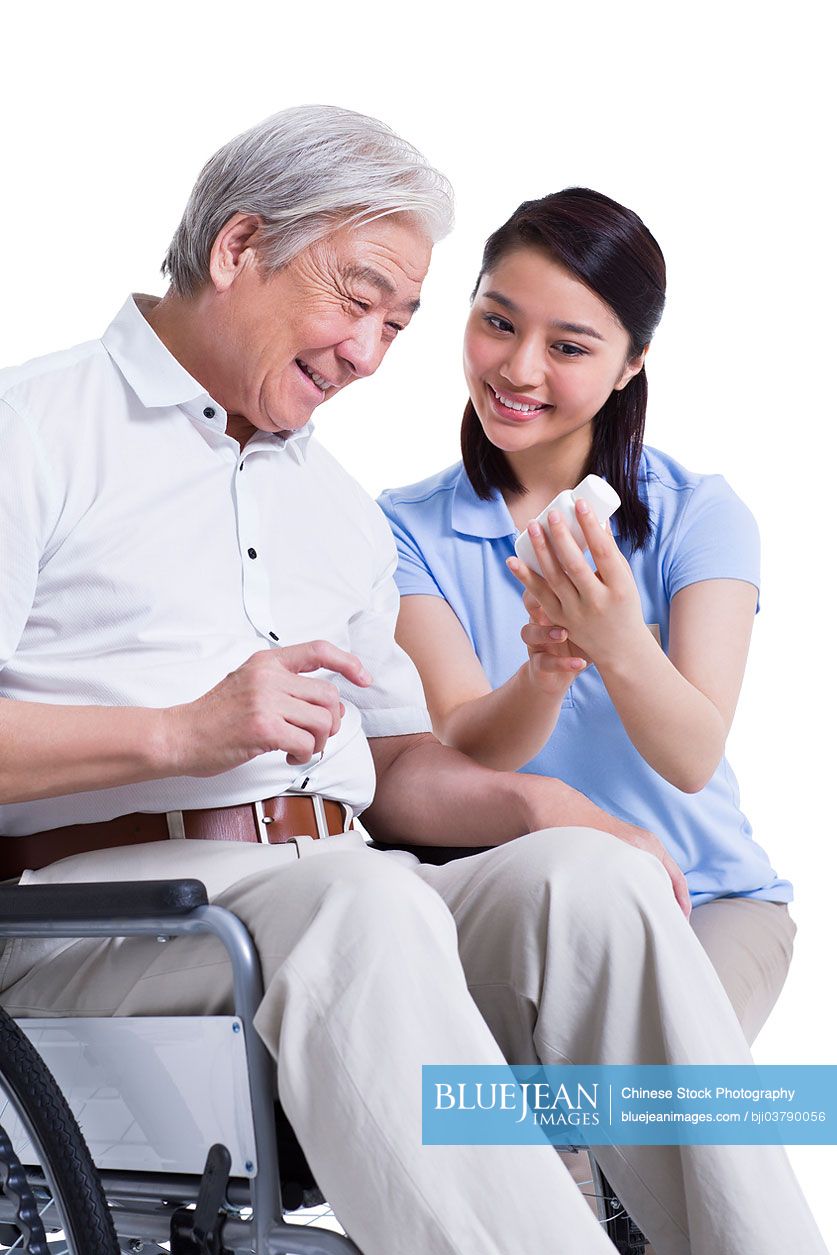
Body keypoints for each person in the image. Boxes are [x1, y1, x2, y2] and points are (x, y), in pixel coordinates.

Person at [0, 111, 824, 1255]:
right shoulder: (33, 431)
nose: (369, 353)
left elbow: (390, 768)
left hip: (335, 894)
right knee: (367, 902)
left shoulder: (336, 505)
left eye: (399, 323)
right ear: (239, 248)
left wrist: (544, 803)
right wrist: (179, 734)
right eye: (355, 299)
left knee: (588, 881)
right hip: (106, 925)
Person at [377, 188, 795, 1052]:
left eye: (567, 346)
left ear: (630, 363)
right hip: (519, 894)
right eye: (497, 322)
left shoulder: (698, 515)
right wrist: (546, 668)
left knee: (646, 1091)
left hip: (703, 900)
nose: (519, 369)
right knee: (520, 1149)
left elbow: (691, 755)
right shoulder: (401, 529)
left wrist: (610, 636)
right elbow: (463, 740)